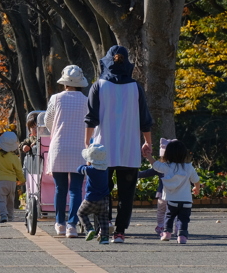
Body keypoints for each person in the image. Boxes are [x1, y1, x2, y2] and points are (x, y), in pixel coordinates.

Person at [84, 45, 153, 243]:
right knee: (126, 193)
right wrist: (147, 143)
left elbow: (91, 119)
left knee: (101, 191)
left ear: (107, 61)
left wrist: (87, 144)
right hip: (129, 149)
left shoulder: (98, 86)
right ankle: (120, 232)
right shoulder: (135, 88)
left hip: (102, 150)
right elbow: (145, 120)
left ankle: (102, 229)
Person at [44, 64, 89, 238]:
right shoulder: (86, 100)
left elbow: (48, 120)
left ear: (64, 82)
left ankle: (60, 224)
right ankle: (72, 225)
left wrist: (56, 129)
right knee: (76, 189)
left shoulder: (56, 98)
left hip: (59, 147)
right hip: (79, 148)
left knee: (60, 188)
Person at [153, 140, 201, 244]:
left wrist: (148, 156)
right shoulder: (188, 167)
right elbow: (196, 180)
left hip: (172, 200)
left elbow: (156, 165)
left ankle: (166, 233)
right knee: (183, 219)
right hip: (186, 201)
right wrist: (197, 188)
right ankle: (182, 237)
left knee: (169, 217)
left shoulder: (167, 167)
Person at [137, 137, 176, 235]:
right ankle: (174, 227)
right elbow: (188, 177)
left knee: (161, 211)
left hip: (162, 194)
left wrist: (135, 174)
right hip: (175, 194)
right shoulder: (179, 167)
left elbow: (146, 173)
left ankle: (161, 225)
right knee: (173, 212)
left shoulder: (160, 167)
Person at [0, 131, 24, 223]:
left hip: (0, 181)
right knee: (10, 200)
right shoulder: (14, 157)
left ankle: (3, 215)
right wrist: (22, 180)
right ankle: (10, 216)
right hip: (12, 182)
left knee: (1, 199)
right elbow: (18, 171)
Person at [76, 143, 111, 245]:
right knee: (103, 217)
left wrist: (86, 164)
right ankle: (104, 238)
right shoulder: (106, 169)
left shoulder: (90, 169)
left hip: (91, 198)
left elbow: (79, 169)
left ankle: (89, 228)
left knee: (81, 213)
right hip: (104, 199)